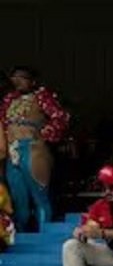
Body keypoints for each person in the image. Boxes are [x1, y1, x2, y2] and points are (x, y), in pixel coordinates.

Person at [1, 66, 69, 231]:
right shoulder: (8, 100)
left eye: (22, 77)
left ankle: (45, 237)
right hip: (12, 151)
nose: (17, 80)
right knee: (18, 199)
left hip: (32, 149)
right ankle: (21, 240)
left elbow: (60, 117)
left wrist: (45, 135)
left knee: (39, 195)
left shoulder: (42, 97)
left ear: (33, 81)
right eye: (14, 77)